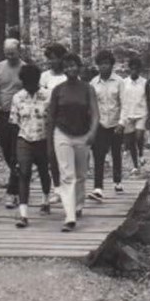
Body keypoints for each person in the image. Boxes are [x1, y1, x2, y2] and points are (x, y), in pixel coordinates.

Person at [47, 53, 100, 232]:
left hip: (83, 135)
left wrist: (93, 132)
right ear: (63, 69)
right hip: (62, 134)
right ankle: (69, 216)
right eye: (67, 66)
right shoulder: (58, 90)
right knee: (67, 175)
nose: (70, 69)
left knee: (81, 174)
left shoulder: (87, 88)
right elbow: (51, 117)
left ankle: (78, 205)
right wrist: (48, 142)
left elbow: (95, 112)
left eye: (73, 65)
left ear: (79, 67)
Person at [9, 65, 51, 228]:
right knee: (24, 173)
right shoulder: (18, 97)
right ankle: (23, 214)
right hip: (24, 139)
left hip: (43, 139)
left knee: (43, 171)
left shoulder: (48, 95)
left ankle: (45, 199)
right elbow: (14, 124)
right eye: (26, 83)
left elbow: (52, 121)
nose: (30, 86)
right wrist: (13, 152)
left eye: (32, 83)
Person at [0, 38, 25, 209]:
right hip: (3, 115)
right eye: (7, 53)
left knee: (15, 153)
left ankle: (13, 192)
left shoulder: (25, 68)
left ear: (19, 51)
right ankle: (20, 177)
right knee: (6, 150)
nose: (10, 56)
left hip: (21, 116)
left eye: (13, 53)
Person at [89, 50, 125, 202]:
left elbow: (124, 103)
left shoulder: (119, 82)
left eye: (107, 64)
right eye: (101, 64)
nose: (104, 67)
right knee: (98, 155)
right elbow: (91, 105)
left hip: (116, 123)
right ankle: (98, 187)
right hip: (100, 124)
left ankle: (117, 180)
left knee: (116, 153)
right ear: (98, 66)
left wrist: (122, 123)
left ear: (111, 65)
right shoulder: (93, 83)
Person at [40, 42, 68, 204]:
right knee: (51, 155)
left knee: (65, 155)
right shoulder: (44, 77)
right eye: (49, 59)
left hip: (66, 120)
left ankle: (68, 188)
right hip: (48, 120)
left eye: (55, 58)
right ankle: (57, 189)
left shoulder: (68, 75)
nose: (52, 62)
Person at [120, 57, 148, 174]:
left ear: (139, 70)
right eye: (132, 69)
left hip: (141, 113)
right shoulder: (124, 83)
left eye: (136, 69)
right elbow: (120, 98)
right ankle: (135, 165)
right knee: (130, 141)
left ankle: (141, 153)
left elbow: (149, 98)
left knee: (139, 135)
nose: (134, 71)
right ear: (129, 70)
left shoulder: (145, 82)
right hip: (128, 114)